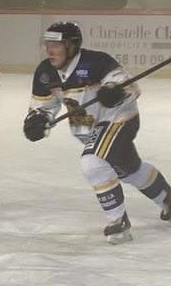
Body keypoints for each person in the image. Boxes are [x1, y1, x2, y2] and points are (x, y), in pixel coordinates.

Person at [23, 21, 171, 243]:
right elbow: (43, 106)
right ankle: (167, 198)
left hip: (118, 119)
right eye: (48, 45)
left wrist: (114, 92)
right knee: (129, 170)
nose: (50, 51)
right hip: (92, 130)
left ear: (72, 46)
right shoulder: (45, 71)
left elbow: (129, 86)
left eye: (56, 45)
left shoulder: (96, 61)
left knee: (93, 162)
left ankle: (118, 221)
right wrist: (38, 120)